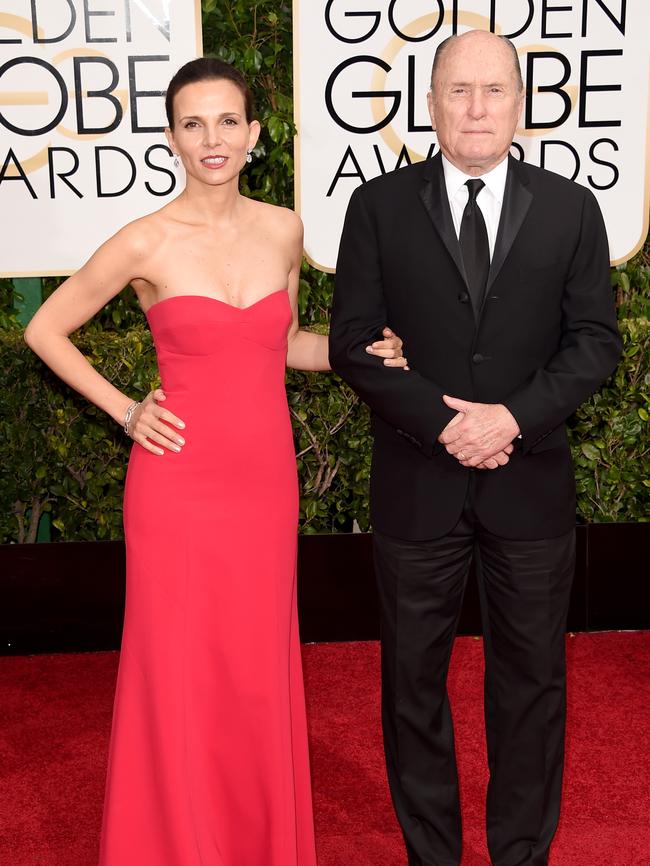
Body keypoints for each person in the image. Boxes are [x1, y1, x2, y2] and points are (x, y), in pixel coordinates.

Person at [24, 57, 408, 866]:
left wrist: (360, 355)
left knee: (254, 672)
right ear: (170, 138)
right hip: (177, 487)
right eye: (193, 123)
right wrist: (127, 410)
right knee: (179, 672)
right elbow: (45, 330)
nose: (212, 139)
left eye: (227, 121)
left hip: (264, 483)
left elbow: (284, 345)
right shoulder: (146, 239)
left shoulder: (282, 229)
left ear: (254, 135)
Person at [329, 29, 621, 866]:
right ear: (430, 104)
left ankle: (521, 852)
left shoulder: (571, 207)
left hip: (529, 486)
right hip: (417, 485)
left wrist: (510, 419)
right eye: (459, 91)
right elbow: (353, 341)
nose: (477, 108)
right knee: (411, 686)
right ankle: (433, 853)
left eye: (494, 90)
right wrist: (448, 420)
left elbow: (595, 342)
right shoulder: (378, 206)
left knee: (530, 685)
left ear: (521, 104)